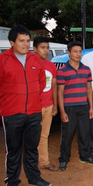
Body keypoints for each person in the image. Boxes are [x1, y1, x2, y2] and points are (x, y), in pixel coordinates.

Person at [0, 25, 51, 186]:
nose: (26, 44)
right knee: (13, 150)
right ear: (11, 42)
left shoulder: (35, 60)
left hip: (34, 112)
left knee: (31, 148)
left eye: (28, 41)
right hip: (12, 113)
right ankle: (12, 182)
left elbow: (41, 83)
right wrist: (5, 104)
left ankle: (34, 177)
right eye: (21, 41)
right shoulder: (0, 60)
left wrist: (32, 100)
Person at [57, 41, 93, 171]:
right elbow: (60, 92)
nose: (78, 54)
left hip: (84, 106)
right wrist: (62, 111)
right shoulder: (62, 71)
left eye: (80, 51)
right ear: (68, 53)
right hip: (69, 108)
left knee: (84, 133)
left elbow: (89, 89)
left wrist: (91, 107)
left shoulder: (86, 69)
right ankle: (64, 159)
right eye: (75, 51)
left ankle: (85, 156)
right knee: (67, 135)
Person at [33, 36, 58, 171]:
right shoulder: (29, 65)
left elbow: (53, 86)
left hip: (48, 106)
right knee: (31, 136)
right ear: (35, 49)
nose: (46, 50)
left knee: (44, 135)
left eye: (47, 48)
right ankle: (30, 163)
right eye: (42, 48)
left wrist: (54, 105)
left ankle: (44, 162)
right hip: (33, 107)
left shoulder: (51, 66)